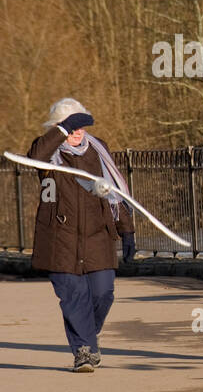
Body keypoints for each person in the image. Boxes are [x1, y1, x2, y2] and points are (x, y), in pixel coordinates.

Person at [28, 98, 136, 373]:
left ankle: (87, 336)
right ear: (58, 127)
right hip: (59, 238)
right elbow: (36, 159)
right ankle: (84, 352)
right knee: (73, 298)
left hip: (97, 236)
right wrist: (63, 129)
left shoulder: (97, 151)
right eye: (70, 126)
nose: (78, 131)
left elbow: (114, 192)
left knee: (103, 294)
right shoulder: (47, 153)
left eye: (80, 125)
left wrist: (127, 230)